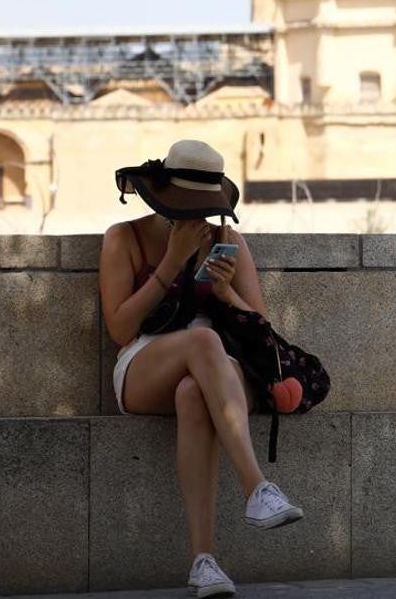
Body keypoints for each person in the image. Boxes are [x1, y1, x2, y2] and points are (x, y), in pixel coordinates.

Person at [99, 140, 302, 598]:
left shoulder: (227, 241)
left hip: (219, 371)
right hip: (145, 363)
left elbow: (262, 327)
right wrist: (171, 261)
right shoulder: (123, 238)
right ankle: (256, 486)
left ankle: (203, 562)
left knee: (194, 392)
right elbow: (120, 328)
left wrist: (228, 294)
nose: (195, 215)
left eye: (203, 205)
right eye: (184, 203)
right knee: (202, 340)